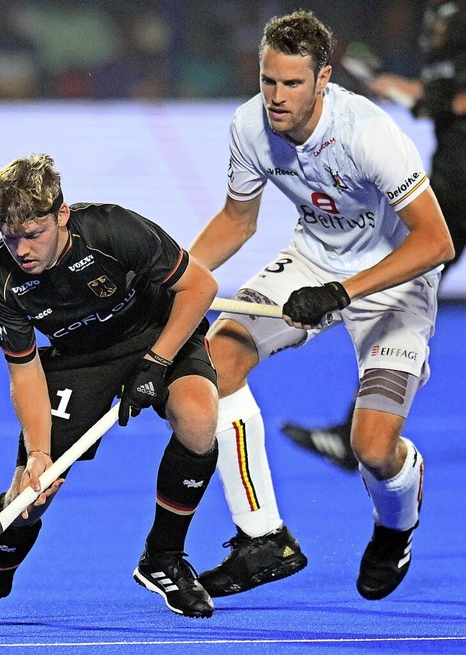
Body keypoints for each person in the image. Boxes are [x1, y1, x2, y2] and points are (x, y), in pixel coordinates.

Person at [189, 10, 454, 601]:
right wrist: (179, 274)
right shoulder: (249, 126)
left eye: (292, 84)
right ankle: (262, 536)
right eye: (268, 81)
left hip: (394, 281)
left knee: (372, 448)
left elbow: (436, 243)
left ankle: (395, 531)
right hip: (311, 263)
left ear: (324, 79)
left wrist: (342, 294)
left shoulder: (368, 133)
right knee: (218, 357)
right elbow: (238, 220)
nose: (276, 98)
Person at [0, 153, 220, 621]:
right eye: (9, 237)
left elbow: (200, 287)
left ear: (61, 215)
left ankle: (163, 557)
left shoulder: (115, 231)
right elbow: (24, 373)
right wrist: (39, 453)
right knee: (29, 496)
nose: (21, 250)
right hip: (78, 359)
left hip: (157, 332)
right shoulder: (0, 281)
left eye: (33, 234)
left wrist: (156, 362)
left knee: (198, 417)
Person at [280, 0, 466, 472]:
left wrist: (423, 99)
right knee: (403, 294)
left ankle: (353, 435)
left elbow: (452, 100)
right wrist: (397, 89)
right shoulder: (444, 39)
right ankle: (355, 431)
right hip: (452, 180)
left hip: (458, 185)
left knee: (400, 287)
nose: (435, 20)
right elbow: (440, 98)